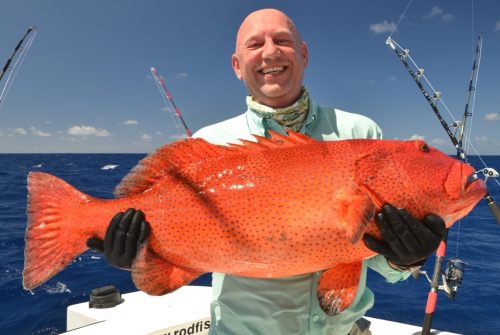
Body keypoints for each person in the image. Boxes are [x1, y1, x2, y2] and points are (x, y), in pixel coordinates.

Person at [87, 8, 445, 335]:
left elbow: (374, 257)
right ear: (237, 65)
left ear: (303, 54)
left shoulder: (361, 134)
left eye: (282, 41)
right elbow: (173, 248)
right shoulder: (209, 143)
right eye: (255, 45)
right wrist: (135, 252)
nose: (270, 52)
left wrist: (405, 258)